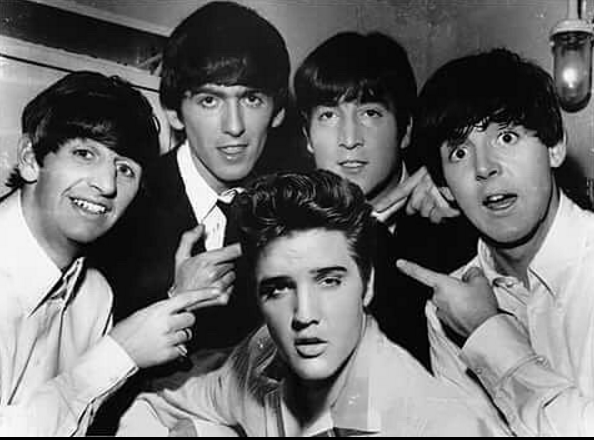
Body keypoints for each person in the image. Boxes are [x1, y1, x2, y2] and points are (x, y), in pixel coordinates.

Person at [117, 170, 509, 437]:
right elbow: (158, 405)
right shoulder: (260, 356)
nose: (304, 315)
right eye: (278, 289)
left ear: (367, 285)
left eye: (329, 281)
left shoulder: (437, 423)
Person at [0, 71, 223, 436]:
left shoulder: (94, 295)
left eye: (125, 169)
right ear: (30, 158)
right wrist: (118, 352)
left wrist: (175, 306)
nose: (106, 185)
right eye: (85, 153)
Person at [397, 48, 594, 436]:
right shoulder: (450, 303)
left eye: (506, 136)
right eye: (459, 151)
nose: (484, 167)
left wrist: (487, 331)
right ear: (444, 187)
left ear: (554, 146)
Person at [293, 32, 479, 367]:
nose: (349, 139)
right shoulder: (290, 227)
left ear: (405, 130)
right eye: (329, 116)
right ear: (307, 137)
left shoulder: (459, 216)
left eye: (370, 113)